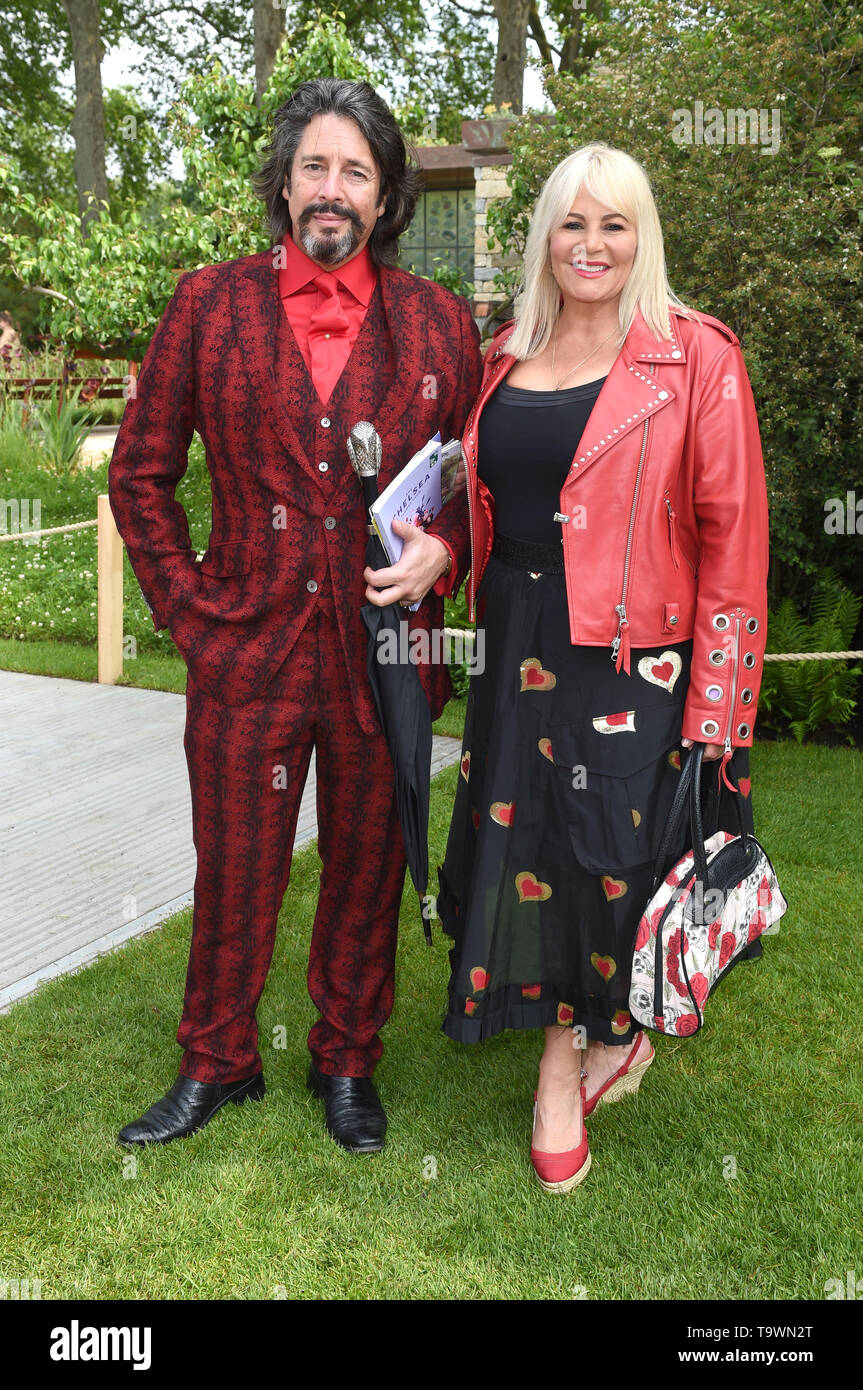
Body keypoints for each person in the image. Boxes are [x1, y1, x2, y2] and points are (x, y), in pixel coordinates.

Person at [109, 78, 482, 1153]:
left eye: (354, 171)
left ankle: (347, 1059)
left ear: (384, 196)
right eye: (313, 166)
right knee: (233, 861)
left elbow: (470, 479)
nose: (330, 188)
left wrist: (445, 553)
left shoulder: (437, 323)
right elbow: (141, 475)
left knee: (367, 861)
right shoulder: (206, 304)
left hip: (383, 654)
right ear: (284, 181)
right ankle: (216, 1059)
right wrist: (190, 612)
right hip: (244, 651)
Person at [433, 143, 769, 1192]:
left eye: (612, 225)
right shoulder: (502, 355)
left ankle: (571, 1056)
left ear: (640, 238)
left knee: (608, 856)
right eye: (571, 224)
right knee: (518, 836)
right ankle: (587, 1040)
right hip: (515, 632)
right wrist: (439, 546)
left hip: (633, 654)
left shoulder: (694, 358)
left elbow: (733, 535)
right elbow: (480, 495)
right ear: (543, 237)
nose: (589, 245)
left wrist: (718, 702)